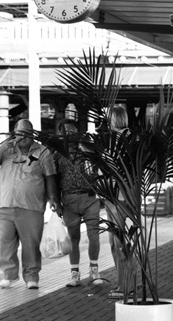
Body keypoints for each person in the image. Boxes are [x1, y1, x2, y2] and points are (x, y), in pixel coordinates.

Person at [0, 119, 59, 289]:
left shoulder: (43, 152)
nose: (23, 136)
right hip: (5, 204)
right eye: (20, 133)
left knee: (31, 244)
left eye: (27, 133)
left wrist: (53, 198)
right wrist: (3, 147)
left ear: (33, 134)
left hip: (31, 206)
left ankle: (31, 276)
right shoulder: (6, 151)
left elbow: (50, 176)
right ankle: (9, 275)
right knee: (5, 241)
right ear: (15, 133)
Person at [54, 119, 102, 288]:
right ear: (61, 134)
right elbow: (52, 179)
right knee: (73, 237)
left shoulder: (88, 149)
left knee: (94, 235)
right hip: (68, 200)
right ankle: (75, 273)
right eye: (66, 132)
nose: (70, 135)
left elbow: (100, 170)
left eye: (73, 131)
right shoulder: (57, 154)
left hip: (89, 198)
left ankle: (94, 270)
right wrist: (55, 202)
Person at [104, 106, 129, 299]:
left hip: (119, 196)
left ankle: (125, 286)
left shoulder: (123, 139)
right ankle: (122, 284)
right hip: (113, 195)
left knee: (120, 242)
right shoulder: (115, 139)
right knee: (115, 242)